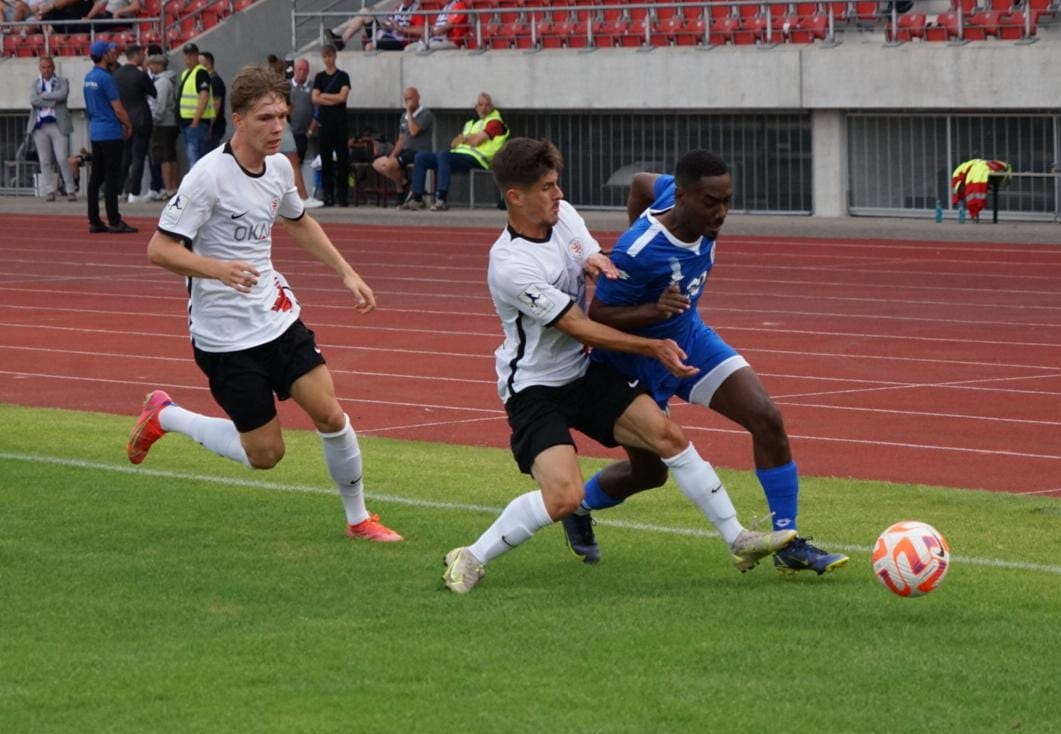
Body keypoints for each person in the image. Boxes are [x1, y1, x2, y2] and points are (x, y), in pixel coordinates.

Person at [441, 138, 796, 594]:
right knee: (564, 496)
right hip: (535, 387)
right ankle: (471, 556)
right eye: (547, 188)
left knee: (668, 437)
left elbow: (590, 251)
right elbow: (580, 327)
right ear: (515, 197)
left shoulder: (564, 216)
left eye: (556, 183)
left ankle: (738, 539)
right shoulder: (511, 264)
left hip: (584, 373)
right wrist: (653, 347)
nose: (558, 194)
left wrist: (594, 258)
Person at [127, 64, 402, 544]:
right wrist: (217, 268)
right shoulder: (207, 177)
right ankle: (165, 415)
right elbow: (160, 249)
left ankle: (359, 520)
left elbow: (298, 221)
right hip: (224, 337)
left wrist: (346, 272)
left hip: (277, 316)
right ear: (238, 120)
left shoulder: (278, 168)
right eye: (265, 118)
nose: (277, 128)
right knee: (266, 455)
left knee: (330, 414)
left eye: (282, 117)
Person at [572, 150, 849, 575]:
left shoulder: (672, 192)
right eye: (710, 203)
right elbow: (598, 317)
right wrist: (653, 309)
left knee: (766, 418)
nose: (720, 213)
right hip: (634, 363)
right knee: (649, 475)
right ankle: (578, 506)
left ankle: (787, 544)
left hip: (691, 339)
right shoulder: (637, 251)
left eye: (726, 201)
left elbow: (641, 182)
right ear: (683, 198)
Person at [399, 91, 506, 212]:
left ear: (492, 107)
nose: (484, 108)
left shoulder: (495, 122)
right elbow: (454, 143)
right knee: (421, 157)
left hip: (479, 159)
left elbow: (476, 141)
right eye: (481, 105)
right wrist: (468, 138)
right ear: (476, 107)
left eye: (487, 105)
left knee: (444, 156)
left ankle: (441, 199)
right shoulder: (470, 124)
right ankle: (417, 199)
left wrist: (465, 138)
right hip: (460, 156)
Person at [83, 39, 136, 234]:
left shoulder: (88, 77)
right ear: (104, 55)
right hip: (111, 132)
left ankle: (94, 220)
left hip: (96, 131)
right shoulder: (106, 78)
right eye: (110, 52)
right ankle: (114, 219)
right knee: (112, 178)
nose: (113, 54)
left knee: (96, 177)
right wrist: (128, 124)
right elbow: (117, 107)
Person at [266, 53, 321, 209]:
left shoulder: (270, 88)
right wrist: (287, 110)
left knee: (278, 164)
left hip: (278, 126)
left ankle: (288, 197)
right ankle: (302, 196)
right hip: (282, 127)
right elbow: (284, 108)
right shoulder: (280, 88)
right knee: (293, 161)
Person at [27, 56, 77, 202]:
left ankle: (70, 189)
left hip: (58, 124)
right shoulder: (35, 83)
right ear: (40, 68)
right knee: (44, 160)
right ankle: (50, 190)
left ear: (53, 67)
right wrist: (52, 102)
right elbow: (33, 100)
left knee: (62, 158)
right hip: (40, 126)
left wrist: (43, 96)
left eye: (49, 67)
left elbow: (62, 95)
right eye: (43, 67)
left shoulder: (63, 81)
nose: (47, 70)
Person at [114, 44, 156, 203]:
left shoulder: (117, 75)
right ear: (137, 55)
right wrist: (145, 71)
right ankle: (134, 192)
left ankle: (118, 190)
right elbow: (153, 92)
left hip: (124, 119)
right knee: (138, 156)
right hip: (141, 118)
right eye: (143, 55)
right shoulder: (140, 75)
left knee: (124, 156)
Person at [372, 86, 432, 196]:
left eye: (410, 98)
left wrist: (409, 111)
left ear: (418, 97)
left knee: (390, 166)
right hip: (405, 151)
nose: (408, 102)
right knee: (378, 164)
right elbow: (401, 139)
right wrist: (393, 155)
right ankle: (404, 183)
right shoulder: (404, 117)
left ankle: (400, 191)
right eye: (406, 99)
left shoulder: (425, 114)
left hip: (419, 151)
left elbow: (414, 131)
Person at [311, 44, 351, 207]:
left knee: (343, 159)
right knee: (325, 159)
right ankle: (328, 195)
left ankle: (343, 195)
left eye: (330, 56)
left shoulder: (343, 76)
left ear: (335, 56)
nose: (328, 59)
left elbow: (343, 97)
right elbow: (315, 98)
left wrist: (324, 96)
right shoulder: (319, 77)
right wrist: (332, 98)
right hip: (324, 123)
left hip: (340, 123)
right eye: (325, 57)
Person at [288, 56, 322, 207]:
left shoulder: (313, 87)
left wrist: (310, 130)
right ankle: (295, 195)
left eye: (304, 70)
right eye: (299, 69)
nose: (301, 73)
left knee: (299, 162)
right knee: (290, 164)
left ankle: (301, 194)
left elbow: (317, 110)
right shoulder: (287, 87)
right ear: (295, 70)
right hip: (289, 132)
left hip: (304, 133)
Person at [325, 0, 424, 51]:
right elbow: (388, 21)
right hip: (386, 33)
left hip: (399, 41)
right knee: (364, 12)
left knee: (369, 46)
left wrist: (400, 28)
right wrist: (386, 25)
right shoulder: (398, 8)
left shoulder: (417, 10)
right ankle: (341, 41)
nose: (405, 0)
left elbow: (421, 30)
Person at [176, 42, 213, 170]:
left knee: (195, 157)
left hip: (196, 122)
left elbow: (204, 95)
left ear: (196, 55)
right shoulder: (186, 73)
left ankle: (197, 182)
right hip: (186, 122)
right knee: (192, 155)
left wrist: (196, 120)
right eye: (186, 54)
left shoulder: (200, 72)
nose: (188, 57)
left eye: (191, 54)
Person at [146, 51, 178, 199]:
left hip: (163, 124)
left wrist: (154, 119)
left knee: (165, 158)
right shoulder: (163, 81)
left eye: (152, 64)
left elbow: (160, 105)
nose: (150, 67)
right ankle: (172, 187)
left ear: (160, 65)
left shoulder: (162, 83)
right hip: (168, 123)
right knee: (169, 156)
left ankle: (169, 188)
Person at [199, 51, 226, 152]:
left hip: (213, 128)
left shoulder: (214, 81)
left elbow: (216, 105)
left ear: (207, 62)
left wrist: (210, 126)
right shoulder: (208, 80)